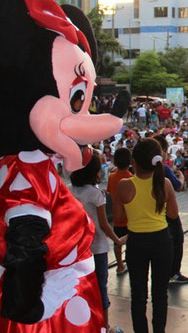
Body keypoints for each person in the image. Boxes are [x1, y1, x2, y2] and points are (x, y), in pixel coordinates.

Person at [113, 138, 180, 333]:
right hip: (162, 241)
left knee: (138, 295)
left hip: (136, 242)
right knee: (160, 293)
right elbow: (173, 215)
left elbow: (118, 218)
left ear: (134, 161)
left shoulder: (125, 185)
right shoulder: (165, 183)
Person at [70, 153, 127, 333]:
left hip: (77, 248)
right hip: (98, 249)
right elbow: (103, 224)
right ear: (94, 172)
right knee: (100, 287)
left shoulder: (69, 190)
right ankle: (104, 326)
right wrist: (117, 240)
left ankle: (81, 324)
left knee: (79, 286)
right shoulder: (96, 194)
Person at [153, 135, 188, 285]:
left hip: (152, 212)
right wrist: (180, 177)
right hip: (167, 212)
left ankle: (160, 272)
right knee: (176, 240)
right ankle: (173, 272)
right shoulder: (164, 169)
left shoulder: (142, 168)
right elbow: (178, 186)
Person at [107, 148, 134, 275]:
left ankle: (119, 265)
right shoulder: (132, 178)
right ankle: (130, 263)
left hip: (117, 217)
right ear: (130, 162)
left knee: (117, 242)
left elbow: (109, 192)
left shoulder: (112, 177)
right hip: (130, 217)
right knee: (130, 242)